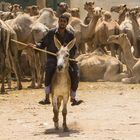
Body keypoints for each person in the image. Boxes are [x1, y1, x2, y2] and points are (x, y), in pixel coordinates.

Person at [28, 14, 82, 106]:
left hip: (65, 59)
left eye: (64, 22)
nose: (62, 23)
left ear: (67, 23)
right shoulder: (51, 33)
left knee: (75, 73)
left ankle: (73, 97)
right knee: (48, 71)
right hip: (53, 57)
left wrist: (67, 56)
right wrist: (35, 46)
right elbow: (42, 43)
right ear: (58, 21)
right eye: (61, 21)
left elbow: (73, 48)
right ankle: (46, 97)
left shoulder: (70, 35)